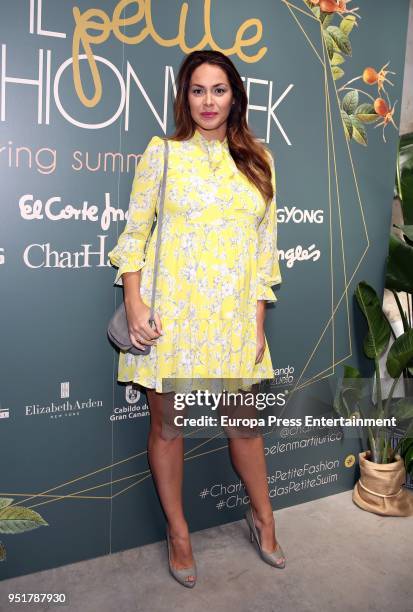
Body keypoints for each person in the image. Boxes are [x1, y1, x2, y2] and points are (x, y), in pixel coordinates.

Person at [108, 49, 285, 588]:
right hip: (172, 318)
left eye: (219, 90)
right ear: (185, 97)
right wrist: (135, 303)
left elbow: (263, 251)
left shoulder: (260, 158)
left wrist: (257, 321)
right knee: (168, 426)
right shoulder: (162, 154)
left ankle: (264, 518)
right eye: (197, 90)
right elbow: (134, 236)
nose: (208, 101)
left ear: (236, 96)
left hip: (233, 319)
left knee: (245, 425)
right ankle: (179, 532)